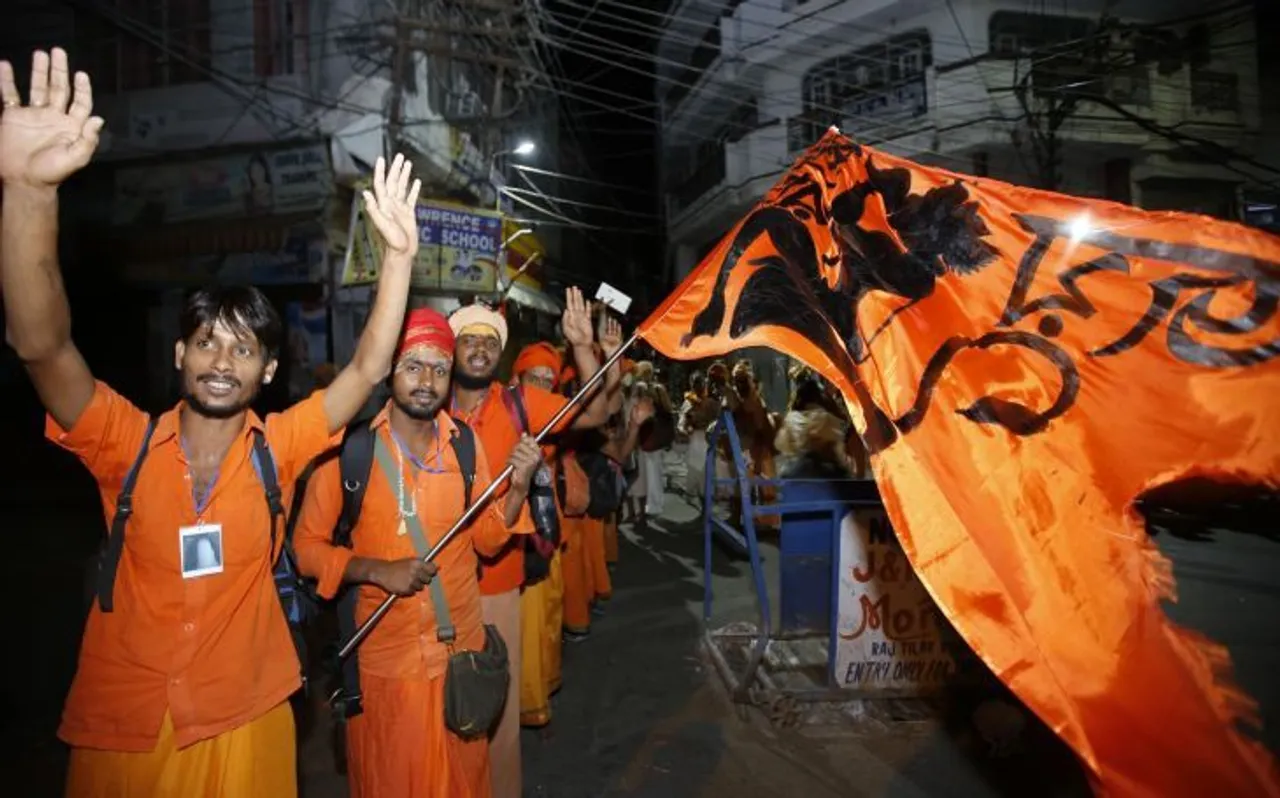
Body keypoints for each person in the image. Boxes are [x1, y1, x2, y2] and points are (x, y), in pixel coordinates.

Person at [0, 48, 421, 797]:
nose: (222, 359)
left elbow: (363, 374)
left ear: (267, 371)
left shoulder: (281, 449)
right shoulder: (122, 442)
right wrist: (28, 192)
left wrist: (396, 259)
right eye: (206, 341)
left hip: (246, 717)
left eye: (243, 346)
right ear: (179, 356)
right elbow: (42, 345)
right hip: (123, 726)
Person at [292, 308, 542, 798]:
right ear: (389, 371)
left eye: (439, 368)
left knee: (463, 783)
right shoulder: (349, 452)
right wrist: (374, 570)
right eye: (413, 365)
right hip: (388, 669)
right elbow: (305, 549)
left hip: (459, 660)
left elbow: (489, 542)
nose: (427, 381)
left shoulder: (465, 447)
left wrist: (518, 487)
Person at [447, 292, 622, 798]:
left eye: (488, 341)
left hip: (498, 579)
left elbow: (589, 413)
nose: (479, 349)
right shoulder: (427, 405)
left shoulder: (519, 402)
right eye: (468, 340)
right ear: (452, 350)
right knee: (443, 706)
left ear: (499, 354)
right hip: (437, 583)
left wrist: (585, 348)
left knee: (495, 708)